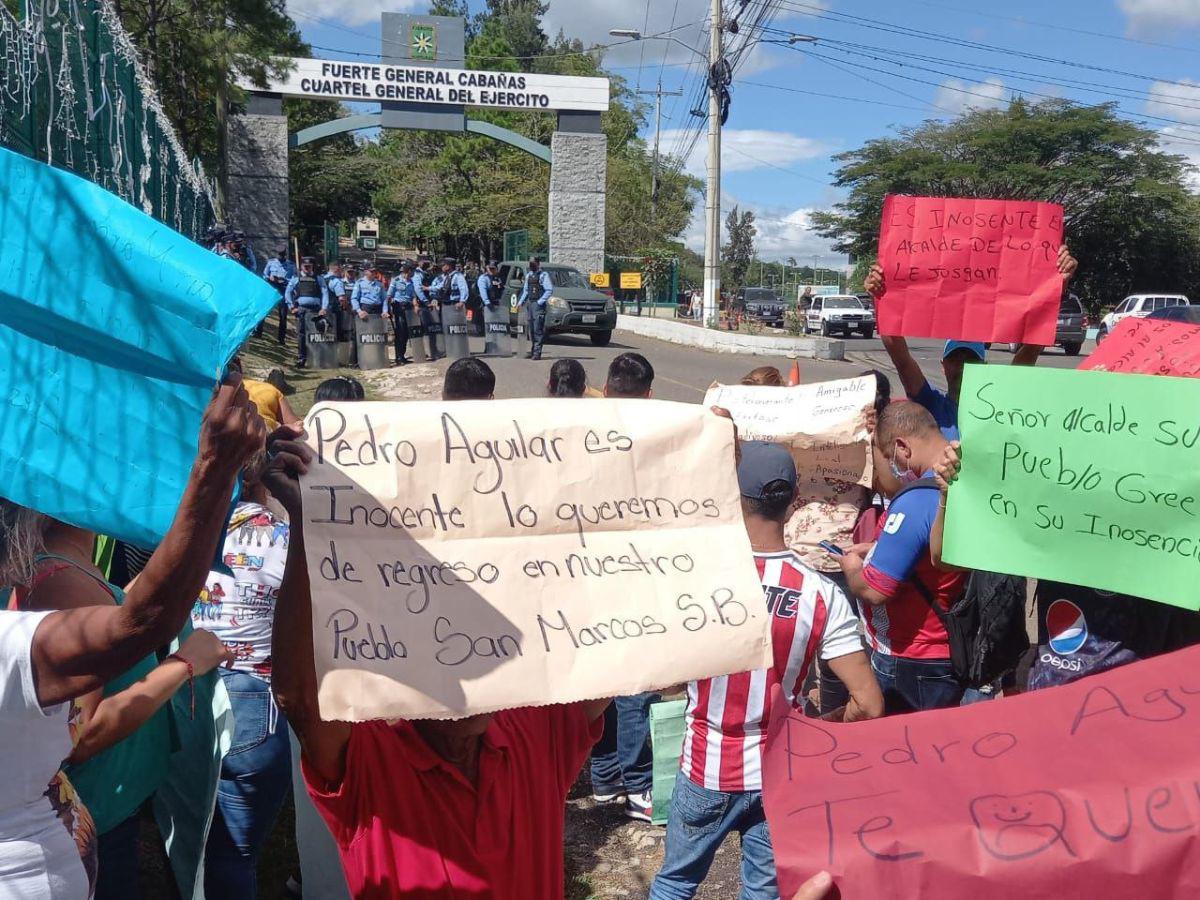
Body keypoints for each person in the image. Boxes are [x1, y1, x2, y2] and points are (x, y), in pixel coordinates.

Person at [259, 429, 608, 899]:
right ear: (402, 654)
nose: (479, 665)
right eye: (452, 651)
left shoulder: (532, 731)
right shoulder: (369, 759)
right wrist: (307, 522)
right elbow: (299, 699)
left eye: (490, 650)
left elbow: (616, 647)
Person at [0, 375, 264, 900]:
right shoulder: (63, 582)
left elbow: (122, 606)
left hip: (97, 813)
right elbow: (86, 733)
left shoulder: (66, 568)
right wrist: (184, 664)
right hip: (95, 813)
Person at [651, 441, 882, 900]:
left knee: (675, 882)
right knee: (764, 891)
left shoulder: (701, 580)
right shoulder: (821, 593)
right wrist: (817, 727)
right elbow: (870, 705)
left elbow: (669, 681)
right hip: (780, 774)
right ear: (794, 500)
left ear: (736, 497)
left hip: (705, 766)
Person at [929, 443, 1200, 694]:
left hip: (1141, 698)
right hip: (1055, 693)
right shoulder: (1049, 511)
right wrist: (950, 494)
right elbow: (944, 558)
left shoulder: (1165, 517)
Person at [196, 458, 292, 897]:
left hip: (187, 693)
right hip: (252, 699)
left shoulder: (187, 526)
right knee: (233, 853)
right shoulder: (278, 537)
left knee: (193, 839)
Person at [863, 245, 1078, 440]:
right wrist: (881, 299)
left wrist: (1055, 287)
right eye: (955, 358)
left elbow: (1029, 353)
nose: (962, 366)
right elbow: (901, 358)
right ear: (943, 366)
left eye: (970, 359)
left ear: (983, 367)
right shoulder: (930, 404)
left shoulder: (999, 407)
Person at [838, 401, 967, 712]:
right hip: (952, 650)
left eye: (885, 457)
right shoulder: (964, 484)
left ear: (902, 448)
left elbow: (874, 590)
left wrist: (852, 569)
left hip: (912, 660)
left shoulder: (917, 501)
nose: (888, 467)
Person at [590, 351, 658, 819]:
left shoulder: (577, 434)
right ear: (650, 395)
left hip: (586, 575)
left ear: (607, 388)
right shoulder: (662, 438)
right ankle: (637, 785)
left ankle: (603, 776)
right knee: (635, 684)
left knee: (596, 676)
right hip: (637, 577)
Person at [285, 258, 330, 369]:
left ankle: (318, 358)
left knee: (318, 335)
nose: (307, 268)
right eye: (305, 266)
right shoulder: (296, 279)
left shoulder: (319, 279)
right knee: (302, 335)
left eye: (309, 266)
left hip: (316, 310)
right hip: (301, 310)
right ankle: (302, 358)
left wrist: (324, 308)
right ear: (301, 266)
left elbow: (325, 293)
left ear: (312, 266)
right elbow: (288, 293)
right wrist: (291, 307)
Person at [518, 256, 555, 360]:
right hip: (530, 303)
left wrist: (540, 301)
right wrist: (520, 302)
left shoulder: (543, 275)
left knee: (537, 329)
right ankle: (534, 350)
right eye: (530, 263)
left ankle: (537, 353)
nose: (531, 265)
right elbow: (526, 290)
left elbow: (549, 290)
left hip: (538, 305)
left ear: (538, 264)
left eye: (533, 263)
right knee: (531, 329)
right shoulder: (529, 275)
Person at [262, 249, 295, 344]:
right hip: (272, 288)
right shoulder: (271, 262)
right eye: (279, 254)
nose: (280, 256)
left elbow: (293, 279)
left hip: (283, 289)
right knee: (264, 311)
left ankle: (281, 338)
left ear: (285, 255)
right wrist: (270, 278)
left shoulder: (291, 265)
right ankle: (258, 332)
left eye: (282, 255)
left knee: (283, 315)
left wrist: (284, 280)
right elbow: (265, 275)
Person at [412, 257, 441, 361]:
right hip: (422, 304)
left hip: (430, 303)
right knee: (424, 328)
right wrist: (426, 302)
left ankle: (433, 351)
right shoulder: (417, 275)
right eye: (425, 262)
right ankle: (425, 352)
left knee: (432, 328)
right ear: (420, 263)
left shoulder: (426, 273)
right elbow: (418, 290)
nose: (427, 264)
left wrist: (434, 299)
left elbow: (433, 286)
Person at [386, 262, 414, 366]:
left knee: (406, 333)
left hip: (408, 308)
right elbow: (389, 296)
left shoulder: (411, 282)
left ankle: (402, 355)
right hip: (398, 308)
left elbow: (413, 295)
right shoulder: (396, 281)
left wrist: (414, 304)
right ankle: (398, 357)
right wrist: (388, 310)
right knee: (400, 332)